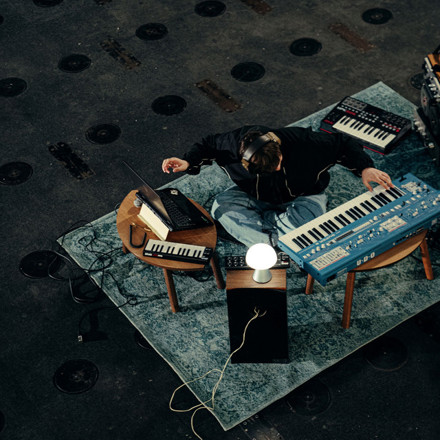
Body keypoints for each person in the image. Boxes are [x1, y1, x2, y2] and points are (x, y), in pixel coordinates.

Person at [161, 125, 393, 248]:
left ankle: (258, 236)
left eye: (279, 163)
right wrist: (188, 161)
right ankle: (279, 239)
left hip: (304, 195)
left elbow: (344, 142)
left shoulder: (304, 141)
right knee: (220, 207)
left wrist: (365, 168)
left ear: (278, 149)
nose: (278, 169)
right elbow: (207, 145)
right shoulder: (230, 143)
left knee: (307, 230)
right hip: (254, 195)